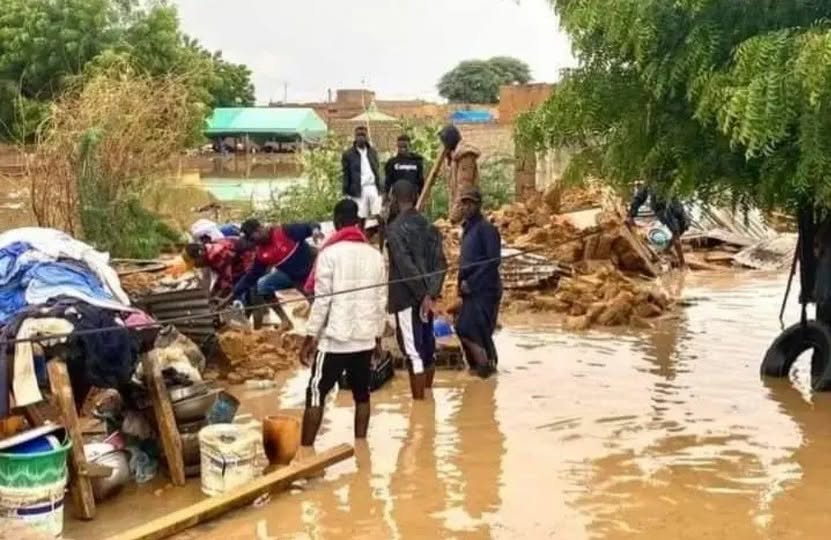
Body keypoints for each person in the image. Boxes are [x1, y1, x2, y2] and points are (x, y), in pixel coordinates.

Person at [299, 199, 386, 446]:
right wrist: (377, 338)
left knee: (316, 394)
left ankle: (306, 453)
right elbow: (381, 300)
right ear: (358, 223)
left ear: (337, 224)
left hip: (335, 342)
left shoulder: (329, 254)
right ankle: (361, 450)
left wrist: (310, 337)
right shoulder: (375, 255)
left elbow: (322, 300)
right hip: (365, 340)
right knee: (362, 395)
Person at [386, 180, 447, 400]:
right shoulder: (430, 228)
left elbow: (405, 266)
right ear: (414, 197)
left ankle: (420, 410)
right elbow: (441, 264)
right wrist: (430, 294)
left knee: (413, 353)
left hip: (406, 299)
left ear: (394, 198)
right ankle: (428, 404)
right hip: (427, 299)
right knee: (427, 345)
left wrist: (423, 295)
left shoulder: (393, 230)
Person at [233, 218, 321, 327]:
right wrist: (234, 294)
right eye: (252, 241)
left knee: (319, 307)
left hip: (314, 270)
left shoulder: (284, 231)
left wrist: (315, 230)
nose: (255, 243)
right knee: (263, 285)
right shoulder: (261, 254)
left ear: (260, 228)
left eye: (254, 238)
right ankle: (285, 322)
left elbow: (310, 224)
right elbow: (251, 277)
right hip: (293, 277)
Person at [456, 186, 501, 379]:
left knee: (467, 328)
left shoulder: (486, 229)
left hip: (484, 289)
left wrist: (472, 283)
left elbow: (493, 261)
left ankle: (484, 370)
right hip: (470, 289)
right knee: (476, 331)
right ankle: (479, 370)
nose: (466, 207)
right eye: (463, 203)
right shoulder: (467, 229)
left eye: (470, 203)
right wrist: (461, 283)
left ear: (478, 205)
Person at [626, 183, 689, 268]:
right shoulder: (652, 178)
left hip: (674, 202)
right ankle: (682, 264)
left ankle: (667, 249)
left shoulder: (670, 173)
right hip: (662, 207)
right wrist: (631, 215)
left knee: (685, 224)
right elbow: (640, 197)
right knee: (675, 232)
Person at [439, 124, 482, 224]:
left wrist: (454, 217)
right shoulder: (456, 156)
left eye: (444, 143)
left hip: (466, 213)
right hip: (461, 212)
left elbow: (464, 189)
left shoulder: (465, 157)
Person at [184, 238, 254, 298]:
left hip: (248, 257)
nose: (196, 267)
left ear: (199, 256)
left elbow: (227, 282)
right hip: (237, 262)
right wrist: (212, 295)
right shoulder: (208, 254)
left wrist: (215, 299)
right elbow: (221, 278)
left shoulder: (216, 254)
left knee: (243, 287)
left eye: (195, 263)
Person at [342, 125, 383, 221]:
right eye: (358, 135)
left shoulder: (372, 152)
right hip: (359, 189)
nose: (361, 137)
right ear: (355, 137)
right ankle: (361, 235)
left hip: (373, 187)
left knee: (379, 217)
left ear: (367, 137)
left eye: (363, 135)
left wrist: (381, 188)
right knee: (360, 218)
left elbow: (377, 169)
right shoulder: (348, 154)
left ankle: (381, 235)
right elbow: (346, 174)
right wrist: (346, 192)